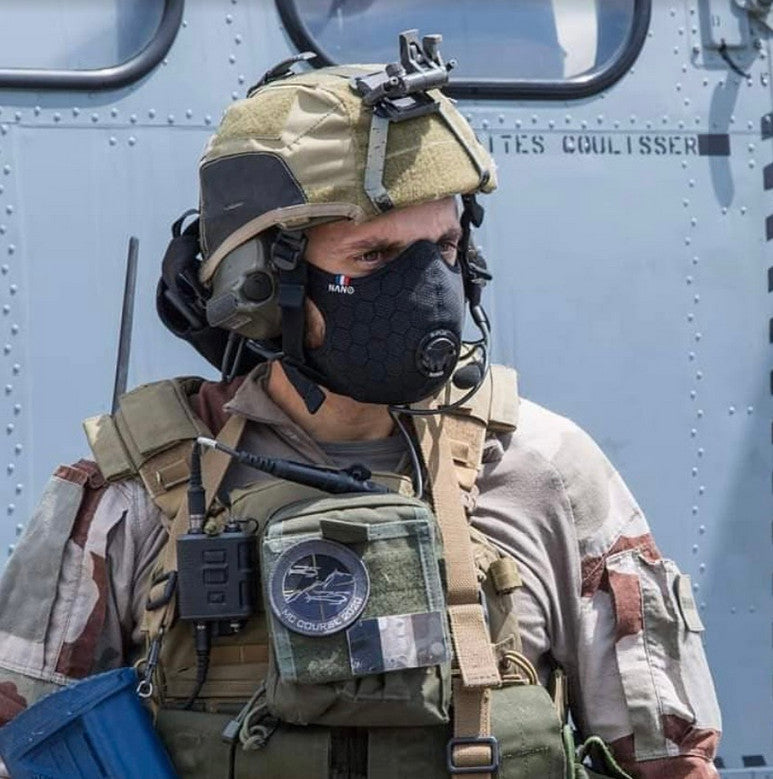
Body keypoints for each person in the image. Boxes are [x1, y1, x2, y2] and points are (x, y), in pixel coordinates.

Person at [0, 34, 720, 779]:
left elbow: (671, 763)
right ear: (258, 284)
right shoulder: (135, 487)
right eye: (373, 257)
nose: (427, 294)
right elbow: (23, 743)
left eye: (443, 247)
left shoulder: (546, 470)